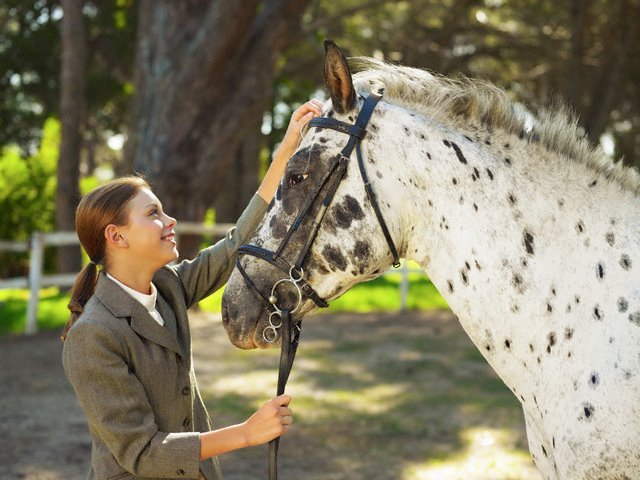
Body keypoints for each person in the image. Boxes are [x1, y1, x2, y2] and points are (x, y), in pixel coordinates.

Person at [61, 99, 324, 480]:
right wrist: (246, 433)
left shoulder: (168, 287)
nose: (171, 221)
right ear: (116, 235)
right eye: (153, 214)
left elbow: (235, 245)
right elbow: (144, 453)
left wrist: (286, 151)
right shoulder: (92, 337)